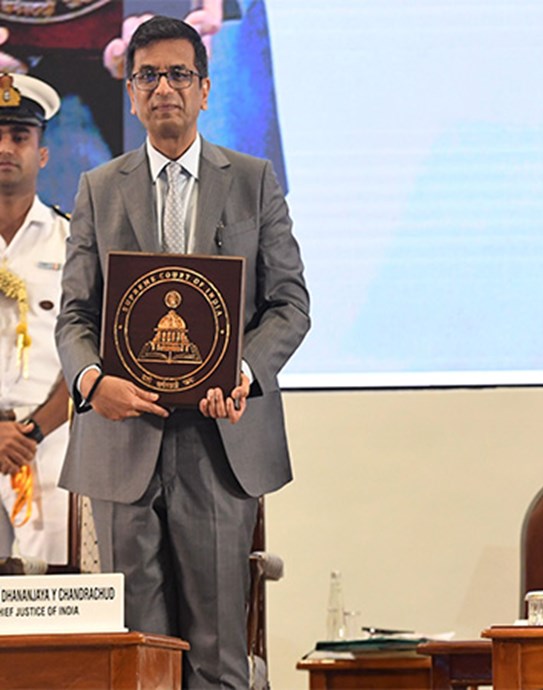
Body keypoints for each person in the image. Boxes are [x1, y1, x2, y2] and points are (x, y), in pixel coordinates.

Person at [54, 15, 310, 688]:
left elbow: (290, 305)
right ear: (131, 92)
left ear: (203, 89)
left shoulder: (254, 181)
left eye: (178, 74)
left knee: (219, 656)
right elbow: (75, 314)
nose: (163, 88)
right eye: (148, 76)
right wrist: (89, 380)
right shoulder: (97, 188)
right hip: (121, 437)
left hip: (220, 439)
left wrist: (244, 372)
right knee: (138, 656)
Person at [0, 72, 71, 566]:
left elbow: (90, 354)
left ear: (41, 154)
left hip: (47, 446)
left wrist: (31, 434)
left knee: (51, 600)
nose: (6, 147)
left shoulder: (73, 243)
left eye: (20, 136)